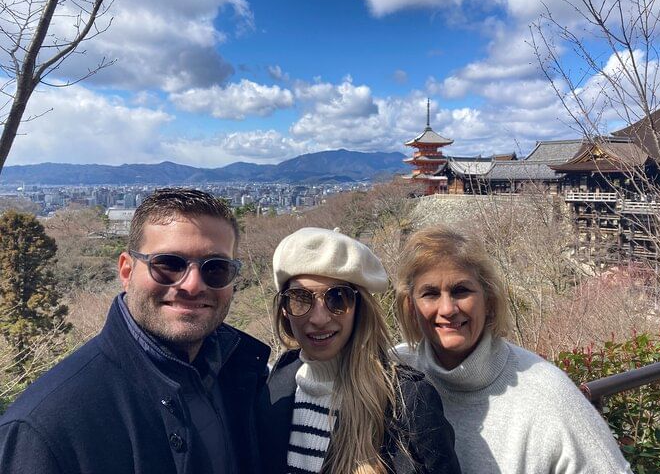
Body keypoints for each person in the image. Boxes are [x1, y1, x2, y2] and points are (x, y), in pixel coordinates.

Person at [0, 188, 270, 474]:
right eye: (168, 264)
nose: (192, 285)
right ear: (126, 271)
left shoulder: (241, 378)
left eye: (216, 268)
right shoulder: (44, 428)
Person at [393, 225, 633, 474]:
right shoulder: (393, 375)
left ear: (489, 300)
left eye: (461, 290)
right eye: (430, 293)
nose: (447, 309)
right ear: (410, 306)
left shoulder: (547, 394)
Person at [256, 227, 461, 474]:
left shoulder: (405, 403)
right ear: (284, 309)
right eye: (300, 298)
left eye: (337, 298)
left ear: (359, 307)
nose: (319, 318)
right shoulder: (273, 389)